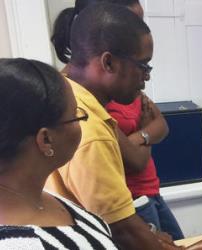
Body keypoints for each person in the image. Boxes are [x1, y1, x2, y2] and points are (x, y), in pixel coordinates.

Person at [44, 3, 181, 249]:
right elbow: (121, 231)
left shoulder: (63, 96)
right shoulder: (89, 130)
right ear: (108, 63)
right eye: (143, 65)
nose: (147, 76)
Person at [0, 58, 118, 249]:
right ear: (45, 139)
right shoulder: (17, 244)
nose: (82, 124)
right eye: (76, 116)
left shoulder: (44, 197)